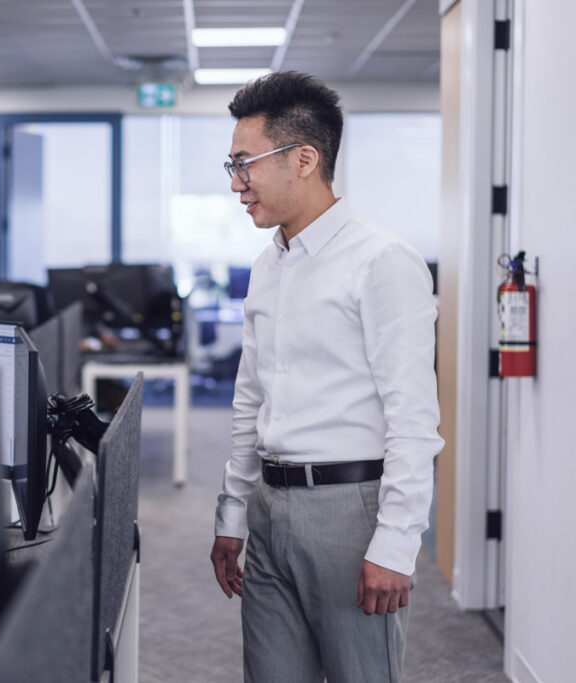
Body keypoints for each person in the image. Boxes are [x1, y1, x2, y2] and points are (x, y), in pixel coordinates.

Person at [208, 71, 443, 681]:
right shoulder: (268, 265)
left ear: (304, 159)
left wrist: (396, 545)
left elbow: (414, 419)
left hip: (350, 514)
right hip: (269, 506)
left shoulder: (382, 262)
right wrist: (232, 516)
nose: (237, 186)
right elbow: (248, 400)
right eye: (231, 167)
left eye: (245, 165)